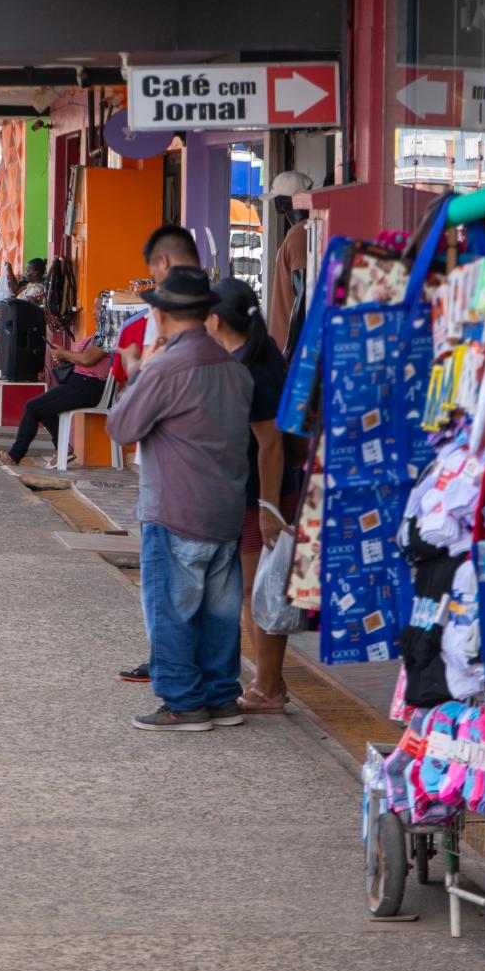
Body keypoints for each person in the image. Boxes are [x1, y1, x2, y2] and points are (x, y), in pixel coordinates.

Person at [105, 266, 253, 732]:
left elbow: (122, 428)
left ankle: (183, 703)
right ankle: (221, 697)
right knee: (219, 613)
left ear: (162, 315)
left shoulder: (167, 368)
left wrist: (139, 373)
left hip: (176, 508)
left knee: (172, 608)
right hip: (226, 507)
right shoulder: (233, 367)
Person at [206, 277, 302, 714]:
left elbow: (271, 443)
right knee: (256, 590)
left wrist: (267, 508)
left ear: (216, 319)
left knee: (255, 593)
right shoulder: (251, 355)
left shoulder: (253, 366)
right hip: (249, 493)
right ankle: (270, 682)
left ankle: (268, 689)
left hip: (257, 496)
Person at [0, 295, 117, 468]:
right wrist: (65, 357)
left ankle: (14, 457)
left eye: (99, 309)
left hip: (88, 385)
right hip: (80, 382)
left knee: (33, 407)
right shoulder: (102, 332)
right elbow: (85, 359)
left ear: (109, 311)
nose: (94, 312)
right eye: (94, 308)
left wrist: (65, 354)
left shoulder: (108, 333)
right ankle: (63, 449)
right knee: (42, 408)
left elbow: (87, 359)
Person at [116, 225, 200, 381]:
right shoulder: (219, 299)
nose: (156, 281)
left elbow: (143, 373)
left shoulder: (162, 308)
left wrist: (130, 358)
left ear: (163, 261)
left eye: (154, 274)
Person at [265, 171, 314, 352]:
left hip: (288, 347)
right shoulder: (300, 232)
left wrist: (289, 349)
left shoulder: (299, 235)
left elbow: (301, 296)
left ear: (283, 202)